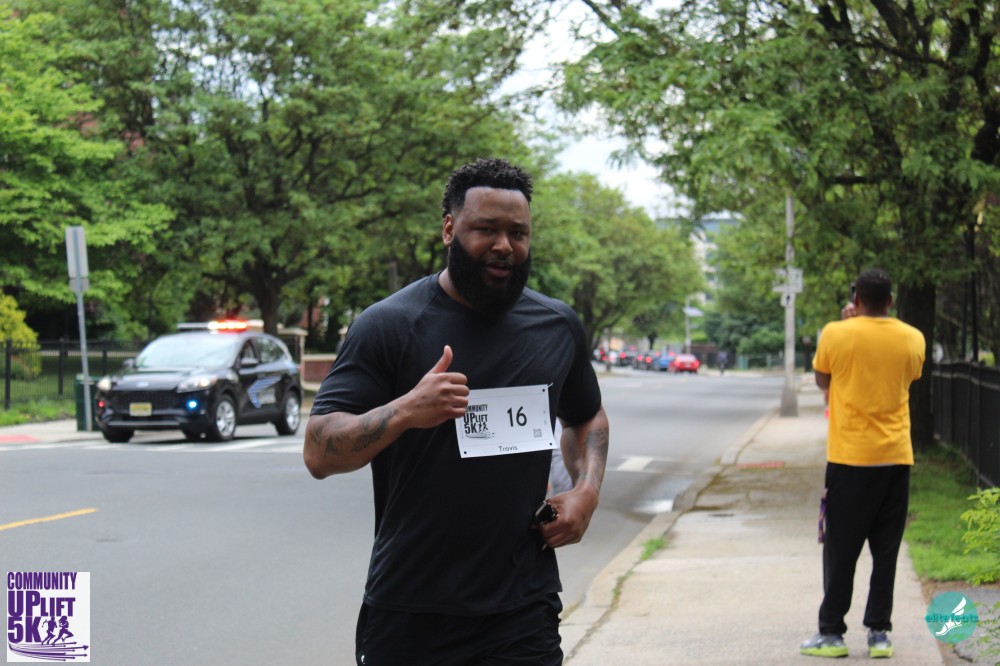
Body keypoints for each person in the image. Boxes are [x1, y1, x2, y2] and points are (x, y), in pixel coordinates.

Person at [304, 157, 610, 665]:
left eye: (518, 233)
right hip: (412, 612)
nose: (504, 245)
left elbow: (587, 417)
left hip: (523, 610)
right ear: (449, 228)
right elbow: (319, 452)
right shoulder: (389, 324)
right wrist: (406, 410)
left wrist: (586, 491)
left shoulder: (556, 326)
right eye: (486, 229)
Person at [800, 268, 926, 659]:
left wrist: (846, 326)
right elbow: (909, 377)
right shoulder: (913, 337)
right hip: (895, 458)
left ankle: (832, 633)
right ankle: (879, 634)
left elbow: (823, 381)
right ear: (890, 300)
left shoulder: (835, 333)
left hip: (849, 458)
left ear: (856, 299)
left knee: (841, 549)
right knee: (886, 550)